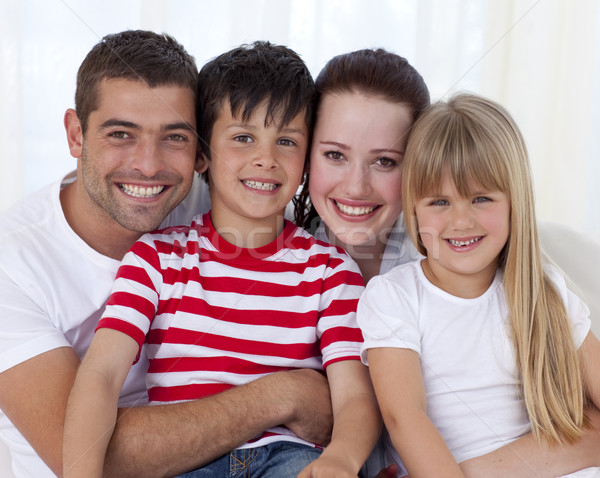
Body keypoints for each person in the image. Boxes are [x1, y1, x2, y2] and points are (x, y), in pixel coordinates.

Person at [0, 30, 334, 478]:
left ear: (200, 151)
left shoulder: (229, 192)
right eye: (121, 133)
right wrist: (283, 395)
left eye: (174, 137)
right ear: (76, 135)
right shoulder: (13, 262)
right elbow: (81, 455)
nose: (149, 164)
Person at [63, 41, 380, 478]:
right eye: (243, 138)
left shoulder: (331, 271)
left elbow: (355, 398)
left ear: (306, 161)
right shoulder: (155, 259)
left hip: (290, 458)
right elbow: (99, 376)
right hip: (186, 461)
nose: (265, 159)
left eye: (286, 141)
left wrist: (341, 458)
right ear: (201, 154)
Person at [303, 49, 600, 476]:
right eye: (335, 154)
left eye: (385, 160)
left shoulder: (529, 282)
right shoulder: (390, 293)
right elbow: (405, 419)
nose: (356, 185)